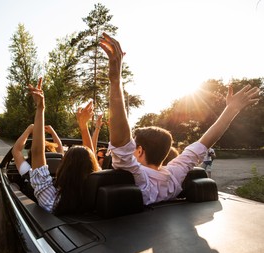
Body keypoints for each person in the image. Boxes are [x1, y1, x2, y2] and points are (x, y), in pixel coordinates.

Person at [99, 32, 261, 205]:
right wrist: (231, 109)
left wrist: (115, 80)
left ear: (139, 151)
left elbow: (121, 144)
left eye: (134, 147)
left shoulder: (139, 177)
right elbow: (205, 142)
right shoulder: (175, 175)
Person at [27, 78, 100, 215]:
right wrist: (83, 127)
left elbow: (37, 152)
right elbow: (92, 159)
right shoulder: (100, 198)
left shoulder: (51, 201)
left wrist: (40, 108)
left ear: (64, 168)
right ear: (94, 167)